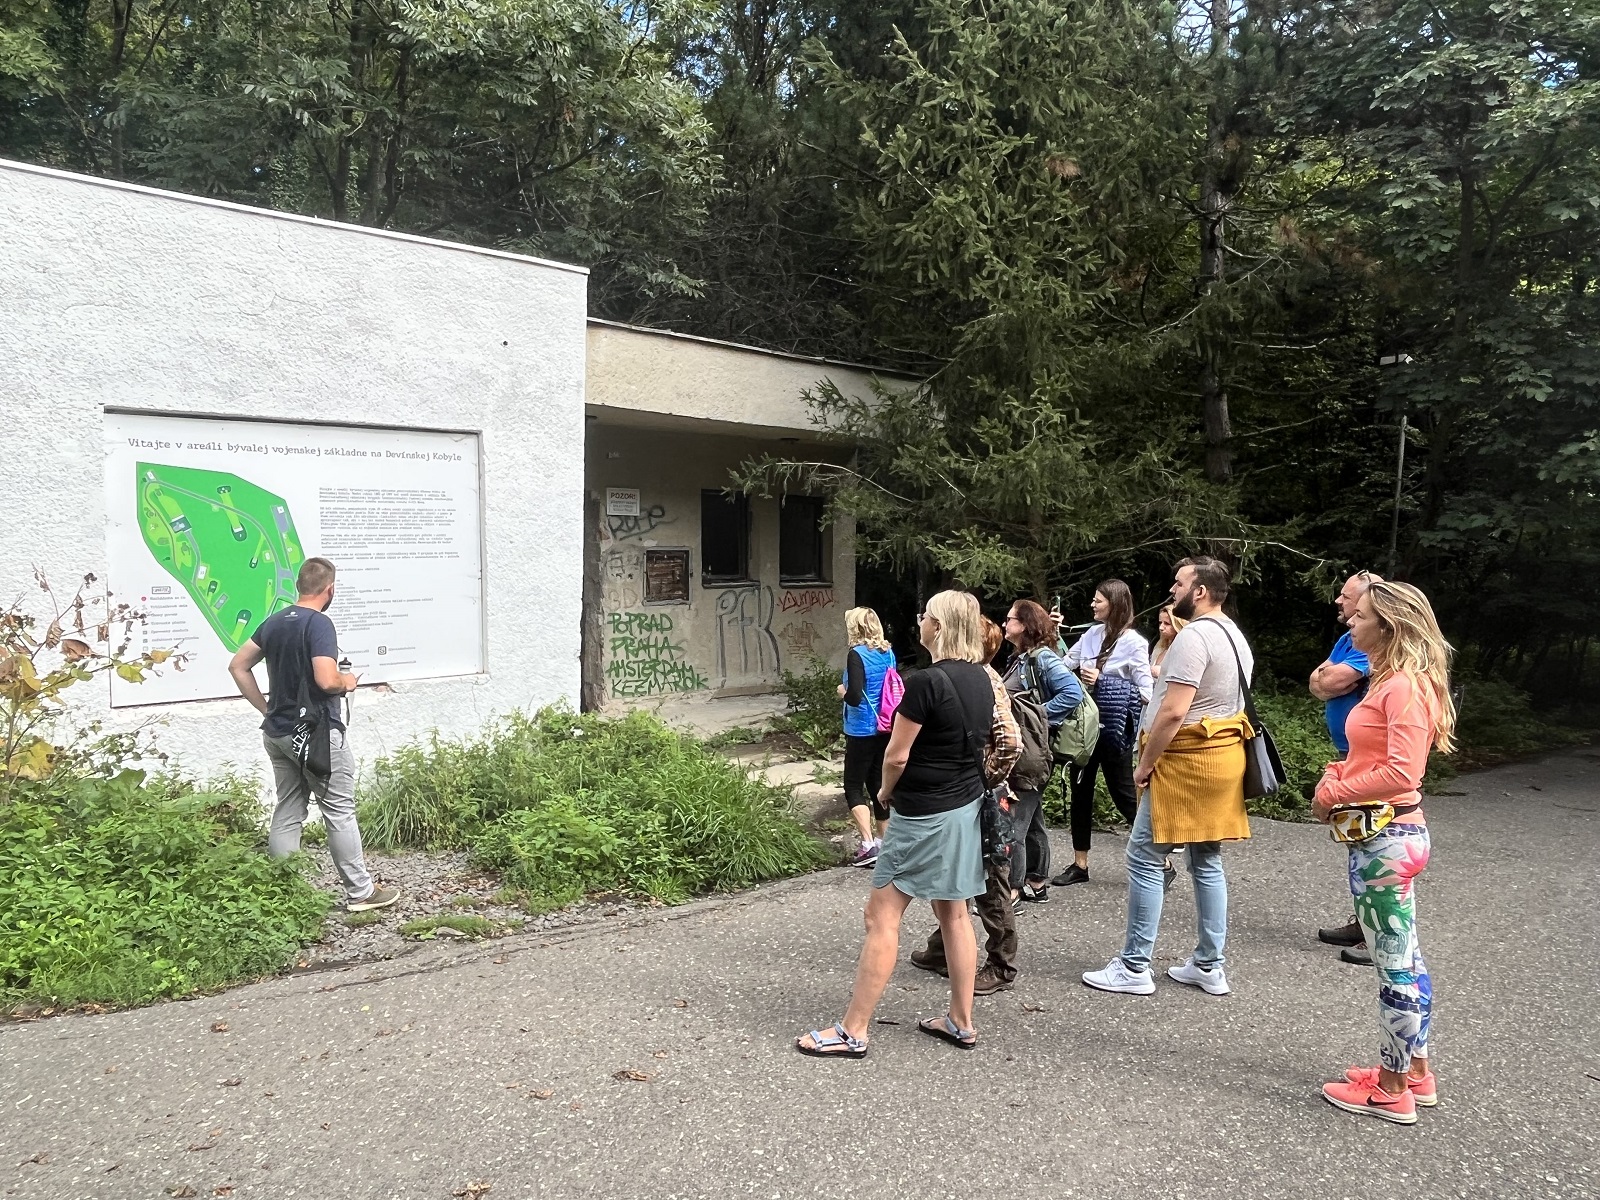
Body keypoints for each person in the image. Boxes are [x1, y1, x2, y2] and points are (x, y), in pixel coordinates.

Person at [796, 591, 1020, 1057]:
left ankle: (852, 1030)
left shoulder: (924, 682)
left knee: (881, 916)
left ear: (937, 627)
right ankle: (960, 1021)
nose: (919, 621)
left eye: (925, 616)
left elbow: (896, 755)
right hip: (964, 809)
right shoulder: (984, 677)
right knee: (955, 913)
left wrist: (881, 793)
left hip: (922, 813)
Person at [1314, 581, 1455, 1125]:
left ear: (1389, 626)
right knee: (1408, 958)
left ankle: (1392, 1090)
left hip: (1386, 841)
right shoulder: (1393, 682)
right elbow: (1377, 757)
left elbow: (1402, 772)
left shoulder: (1401, 687)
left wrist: (1333, 791)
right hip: (1394, 836)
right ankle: (1415, 1072)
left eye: (1363, 616)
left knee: (1394, 967)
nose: (1351, 623)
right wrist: (1342, 770)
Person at [1083, 556, 1251, 998]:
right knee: (1206, 859)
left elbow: (1175, 709)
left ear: (1200, 591)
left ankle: (1135, 965)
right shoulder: (1235, 635)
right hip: (1223, 756)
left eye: (1179, 584)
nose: (1172, 590)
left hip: (1186, 762)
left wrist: (1145, 763)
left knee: (1144, 855)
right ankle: (1209, 965)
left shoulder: (1194, 636)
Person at [227, 557, 399, 913]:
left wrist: (266, 708)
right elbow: (325, 679)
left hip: (278, 733)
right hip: (316, 734)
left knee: (289, 808)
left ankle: (283, 896)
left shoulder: (274, 623)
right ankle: (361, 893)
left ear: (299, 586)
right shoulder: (319, 624)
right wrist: (346, 682)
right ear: (330, 589)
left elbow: (238, 665)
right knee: (339, 810)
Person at [909, 617, 1023, 994]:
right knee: (954, 873)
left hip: (979, 794)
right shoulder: (965, 674)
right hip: (961, 793)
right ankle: (941, 948)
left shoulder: (982, 678)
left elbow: (1010, 742)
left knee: (990, 881)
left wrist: (986, 781)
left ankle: (1002, 965)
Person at [1053, 580, 1153, 886]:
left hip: (1114, 730)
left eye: (1098, 601)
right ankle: (1079, 864)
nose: (1093, 605)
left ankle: (1157, 860)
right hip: (1085, 729)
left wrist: (1104, 679)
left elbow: (1146, 691)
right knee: (1080, 791)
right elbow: (1063, 663)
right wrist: (1051, 634)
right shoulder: (1092, 634)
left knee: (1122, 793)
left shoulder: (1134, 643)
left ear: (1116, 604)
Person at [1309, 570, 1383, 963]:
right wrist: (1331, 677)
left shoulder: (1374, 644)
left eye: (1347, 597)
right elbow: (1319, 683)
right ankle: (1364, 920)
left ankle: (1378, 933)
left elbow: (1334, 679)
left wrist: (1335, 677)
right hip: (1347, 753)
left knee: (1376, 839)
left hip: (1367, 758)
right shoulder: (1347, 637)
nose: (1339, 603)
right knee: (1357, 840)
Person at [1001, 599, 1083, 906]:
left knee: (1015, 821)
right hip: (1025, 749)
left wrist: (1037, 717)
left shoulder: (1043, 659)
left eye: (1010, 619)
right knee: (1032, 818)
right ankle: (1036, 881)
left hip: (1033, 752)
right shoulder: (1021, 659)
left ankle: (1013, 889)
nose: (1004, 624)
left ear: (1024, 625)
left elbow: (1073, 693)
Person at [836, 607, 898, 867]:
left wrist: (842, 691)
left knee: (852, 784)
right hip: (885, 726)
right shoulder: (888, 653)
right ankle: (884, 843)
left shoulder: (856, 654)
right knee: (877, 783)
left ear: (855, 628)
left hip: (861, 729)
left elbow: (855, 695)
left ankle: (867, 844)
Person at [1149, 604, 1185, 679]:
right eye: (1160, 623)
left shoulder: (1184, 651)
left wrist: (1161, 673)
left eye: (1167, 623)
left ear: (1177, 625)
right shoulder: (1159, 648)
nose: (1161, 627)